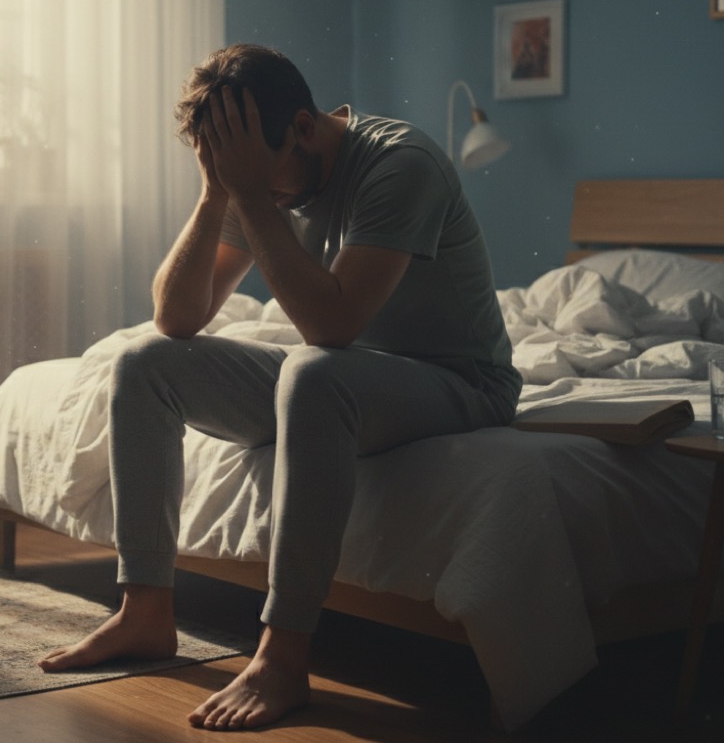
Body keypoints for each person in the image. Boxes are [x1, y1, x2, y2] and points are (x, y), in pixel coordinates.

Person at [38, 43, 521, 731]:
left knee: (315, 370)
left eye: (263, 182)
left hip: (457, 381)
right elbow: (177, 316)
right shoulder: (255, 170)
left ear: (302, 126)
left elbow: (330, 325)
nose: (262, 197)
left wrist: (254, 197)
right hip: (347, 376)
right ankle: (144, 612)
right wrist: (218, 192)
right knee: (145, 363)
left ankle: (283, 656)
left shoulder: (399, 164)